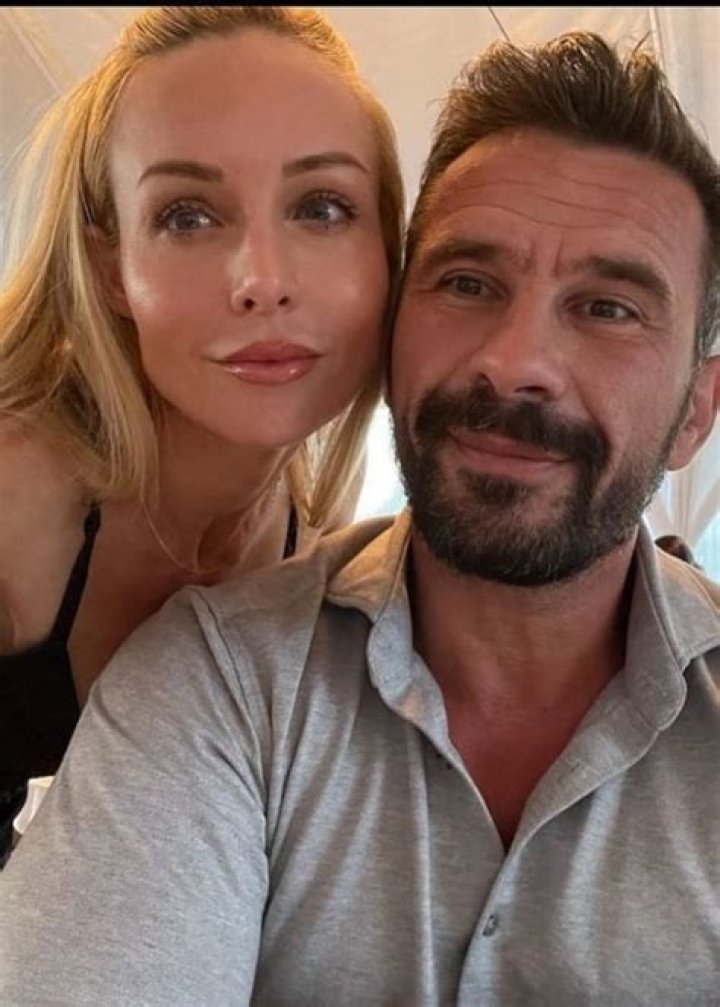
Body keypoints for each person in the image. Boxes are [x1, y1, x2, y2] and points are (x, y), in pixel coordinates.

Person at [1, 28, 719, 1006]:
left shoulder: (284, 534)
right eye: (468, 281)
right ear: (109, 264)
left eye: (608, 307)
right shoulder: (205, 655)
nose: (263, 279)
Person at [0, 6, 404, 862]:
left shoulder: (311, 551)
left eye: (322, 207)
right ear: (112, 269)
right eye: (188, 216)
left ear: (389, 251)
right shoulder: (13, 491)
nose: (263, 279)